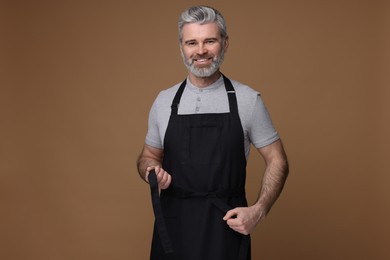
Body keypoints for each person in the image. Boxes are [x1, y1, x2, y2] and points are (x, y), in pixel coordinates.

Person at [137, 5, 289, 260]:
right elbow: (148, 156)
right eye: (191, 42)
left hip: (226, 229)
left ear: (225, 44)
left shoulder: (247, 100)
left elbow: (278, 159)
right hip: (173, 230)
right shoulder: (163, 101)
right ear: (182, 48)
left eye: (210, 40)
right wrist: (150, 170)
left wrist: (259, 210)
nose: (201, 51)